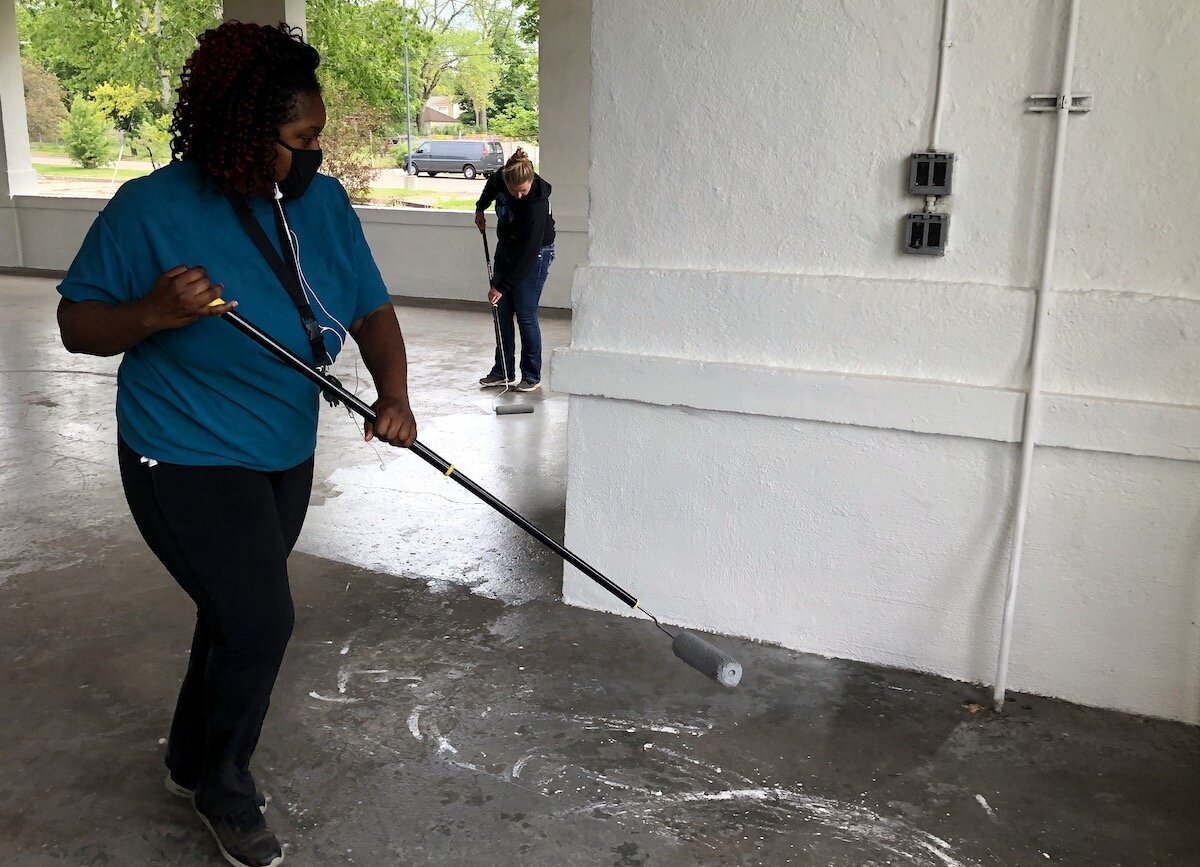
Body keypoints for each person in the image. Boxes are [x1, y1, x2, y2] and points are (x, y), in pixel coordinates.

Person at [55, 22, 416, 867]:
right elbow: (76, 324)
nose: (314, 155)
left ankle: (187, 758)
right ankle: (225, 785)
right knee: (259, 618)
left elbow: (370, 310)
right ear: (244, 135)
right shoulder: (149, 208)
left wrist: (394, 393)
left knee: (232, 611)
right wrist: (153, 312)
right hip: (178, 452)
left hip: (284, 448)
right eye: (301, 140)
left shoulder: (318, 204)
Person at [473, 148, 555, 392]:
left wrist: (502, 286)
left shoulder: (535, 205)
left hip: (536, 253)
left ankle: (531, 375)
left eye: (523, 190)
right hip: (507, 246)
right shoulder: (501, 177)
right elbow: (491, 188)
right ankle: (503, 371)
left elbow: (527, 254)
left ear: (531, 183)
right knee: (501, 311)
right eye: (513, 191)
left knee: (525, 314)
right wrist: (480, 208)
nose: (518, 196)